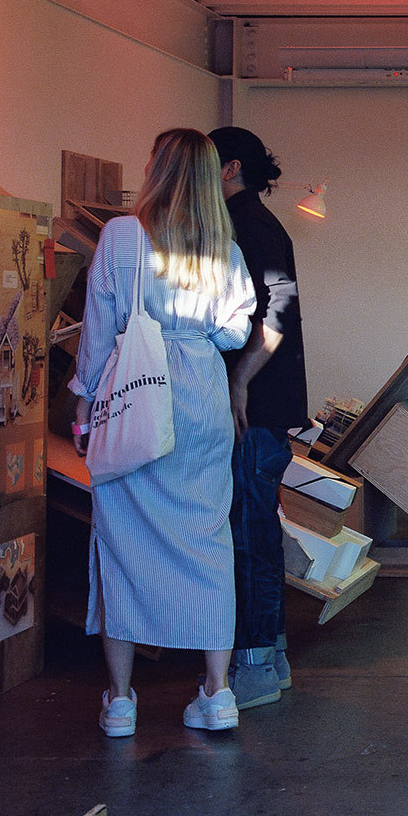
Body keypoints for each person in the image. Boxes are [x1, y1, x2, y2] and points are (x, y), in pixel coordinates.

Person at [70, 128, 256, 737]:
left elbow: (98, 336)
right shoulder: (223, 246)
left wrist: (82, 412)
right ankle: (217, 692)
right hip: (201, 396)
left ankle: (121, 701)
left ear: (158, 168)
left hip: (134, 394)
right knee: (208, 542)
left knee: (123, 543)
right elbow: (234, 333)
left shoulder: (123, 235)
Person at [209, 126, 311, 711]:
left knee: (250, 529)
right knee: (255, 525)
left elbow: (280, 306)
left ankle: (255, 665)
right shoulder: (249, 224)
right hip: (262, 403)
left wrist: (240, 377)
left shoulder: (250, 226)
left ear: (230, 169)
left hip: (257, 405)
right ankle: (268, 655)